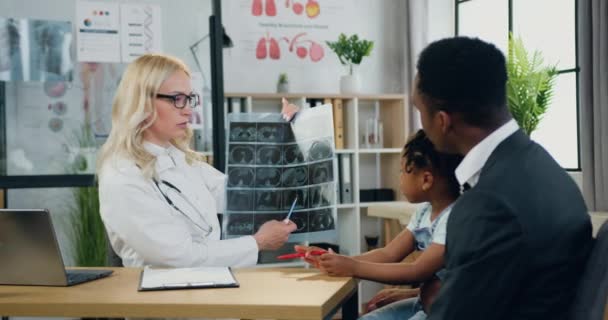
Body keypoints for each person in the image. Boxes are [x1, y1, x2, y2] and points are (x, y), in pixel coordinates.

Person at [411, 37, 593, 319]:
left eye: (420, 111)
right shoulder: (541, 165)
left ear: (443, 121)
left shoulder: (489, 204)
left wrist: (436, 298)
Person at [97, 53, 297, 268]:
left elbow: (236, 194)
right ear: (142, 102)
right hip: (161, 296)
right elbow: (180, 257)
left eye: (189, 98)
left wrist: (283, 137)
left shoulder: (177, 157)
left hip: (205, 284)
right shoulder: (123, 175)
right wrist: (258, 242)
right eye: (177, 99)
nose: (188, 110)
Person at [296, 130, 463, 320]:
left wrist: (353, 267)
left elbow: (417, 270)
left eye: (402, 171)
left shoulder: (453, 218)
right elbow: (388, 253)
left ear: (426, 180)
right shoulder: (424, 212)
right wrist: (335, 261)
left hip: (444, 312)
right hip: (423, 304)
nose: (399, 177)